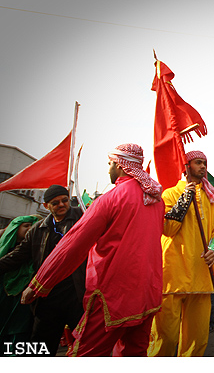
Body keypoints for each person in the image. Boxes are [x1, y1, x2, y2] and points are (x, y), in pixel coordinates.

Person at [20, 143, 164, 357]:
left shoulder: (110, 199)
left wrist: (40, 283)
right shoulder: (156, 200)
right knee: (134, 354)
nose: (108, 170)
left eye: (109, 164)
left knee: (85, 354)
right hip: (147, 294)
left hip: (113, 296)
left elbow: (73, 245)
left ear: (120, 165)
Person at [148, 150, 214, 357]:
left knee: (197, 340)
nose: (203, 167)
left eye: (205, 163)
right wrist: (185, 199)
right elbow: (168, 229)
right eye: (198, 162)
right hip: (173, 275)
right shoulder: (169, 194)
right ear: (187, 166)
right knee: (166, 338)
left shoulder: (212, 199)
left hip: (201, 273)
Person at [0, 185, 85, 356]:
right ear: (46, 206)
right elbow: (17, 256)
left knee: (85, 344)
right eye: (55, 203)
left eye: (65, 200)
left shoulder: (83, 218)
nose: (61, 204)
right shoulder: (37, 230)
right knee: (41, 346)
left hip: (78, 296)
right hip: (47, 298)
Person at [0, 215, 39, 355]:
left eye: (32, 226)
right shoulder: (4, 249)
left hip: (23, 300)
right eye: (26, 225)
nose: (29, 229)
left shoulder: (36, 249)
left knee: (20, 332)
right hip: (4, 297)